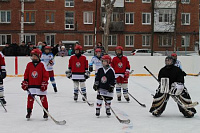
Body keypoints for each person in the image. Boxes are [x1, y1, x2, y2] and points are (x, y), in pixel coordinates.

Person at [21, 49, 49, 119]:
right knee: (30, 99)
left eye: (35, 56)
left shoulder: (42, 64)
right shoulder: (29, 64)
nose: (34, 58)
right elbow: (26, 74)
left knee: (43, 99)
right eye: (32, 56)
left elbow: (46, 74)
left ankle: (46, 112)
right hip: (31, 85)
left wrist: (44, 82)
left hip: (40, 85)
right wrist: (25, 81)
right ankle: (29, 112)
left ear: (39, 56)